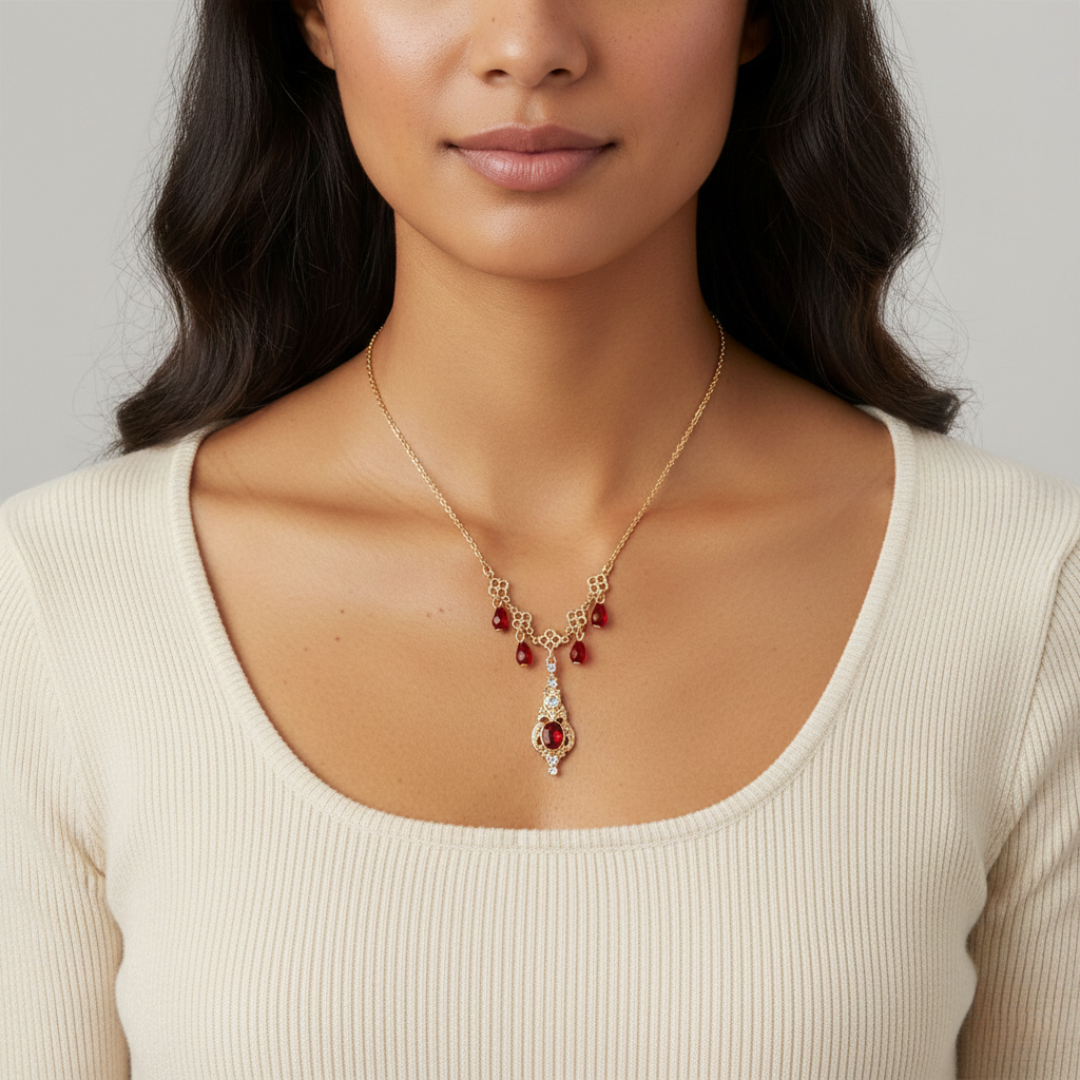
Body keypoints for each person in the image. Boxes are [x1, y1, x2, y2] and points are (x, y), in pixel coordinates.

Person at [1, 0, 1077, 1075]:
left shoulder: (1020, 592)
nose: (529, 45)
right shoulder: (60, 603)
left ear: (758, 16)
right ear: (310, 16)